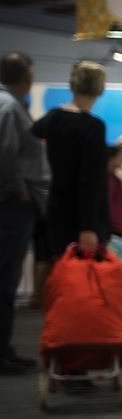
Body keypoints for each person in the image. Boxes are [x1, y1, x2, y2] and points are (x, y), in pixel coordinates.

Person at [32, 60, 110, 258]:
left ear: (71, 85)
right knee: (80, 282)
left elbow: (33, 135)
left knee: (57, 275)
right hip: (81, 218)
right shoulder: (93, 127)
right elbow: (90, 180)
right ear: (100, 90)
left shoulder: (52, 118)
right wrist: (88, 226)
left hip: (54, 209)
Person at [0, 51, 47, 374]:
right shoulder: (9, 107)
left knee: (7, 279)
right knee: (5, 279)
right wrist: (18, 188)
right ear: (25, 77)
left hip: (14, 202)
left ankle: (4, 346)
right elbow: (5, 152)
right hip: (11, 204)